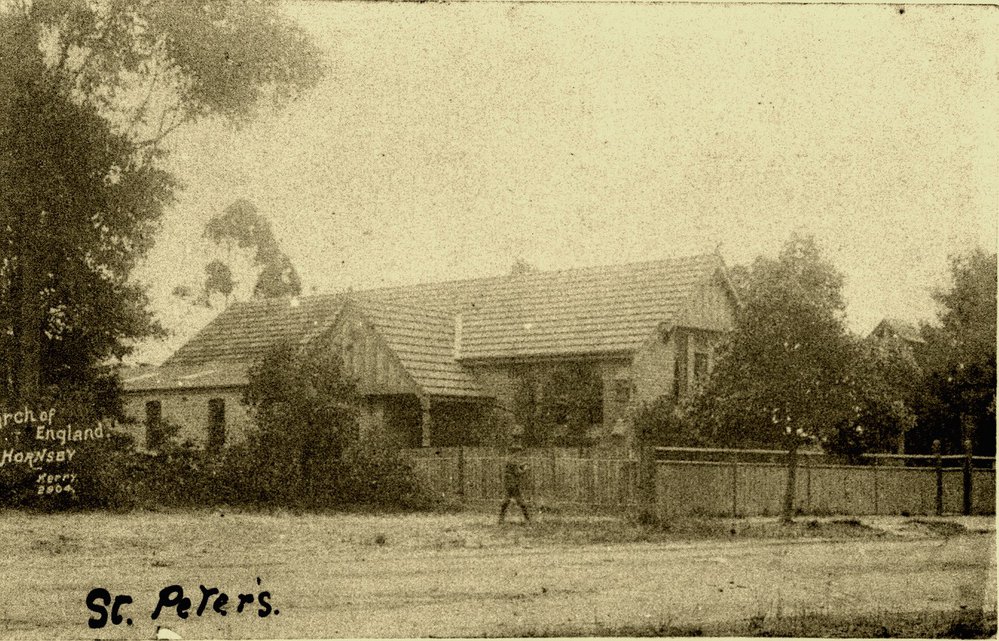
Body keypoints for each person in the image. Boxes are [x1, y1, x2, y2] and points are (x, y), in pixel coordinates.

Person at [498, 443, 531, 524]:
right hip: (513, 483)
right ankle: (528, 519)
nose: (520, 454)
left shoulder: (509, 459)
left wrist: (522, 465)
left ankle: (501, 519)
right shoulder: (513, 460)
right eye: (519, 452)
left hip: (508, 483)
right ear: (515, 452)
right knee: (521, 501)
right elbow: (517, 472)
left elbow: (513, 469)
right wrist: (525, 469)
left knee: (506, 501)